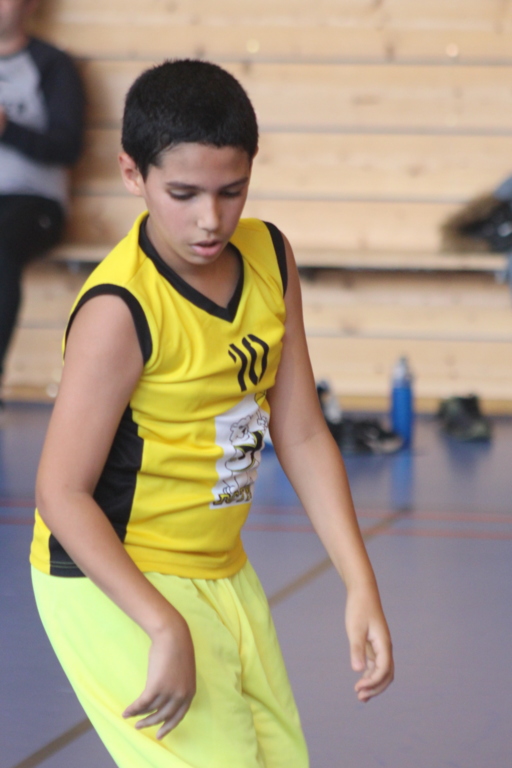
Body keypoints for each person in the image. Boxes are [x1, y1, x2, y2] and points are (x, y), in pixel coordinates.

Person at [30, 59, 393, 768]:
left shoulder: (268, 256)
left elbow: (301, 431)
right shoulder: (119, 310)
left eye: (232, 191)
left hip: (222, 566)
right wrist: (163, 625)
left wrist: (360, 581)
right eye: (183, 194)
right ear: (132, 174)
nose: (210, 219)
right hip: (115, 577)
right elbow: (60, 492)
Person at [0, 0, 84, 402]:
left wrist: (8, 129)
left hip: (35, 204)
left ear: (30, 5)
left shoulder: (52, 65)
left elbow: (68, 146)